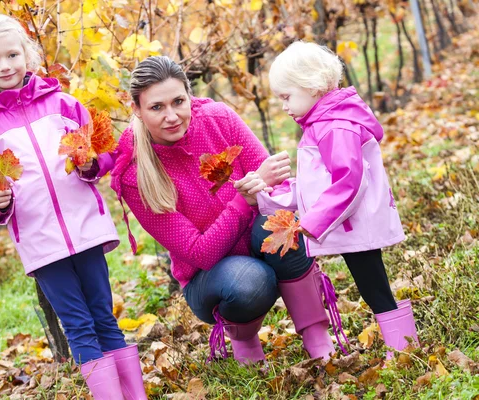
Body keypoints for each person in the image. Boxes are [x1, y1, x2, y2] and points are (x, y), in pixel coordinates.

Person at [110, 56, 344, 365]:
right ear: (137, 110)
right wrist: (244, 200)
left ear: (189, 96)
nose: (172, 116)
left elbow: (277, 186)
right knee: (249, 281)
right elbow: (200, 253)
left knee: (283, 224)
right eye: (156, 107)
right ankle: (245, 342)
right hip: (212, 278)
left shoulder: (217, 119)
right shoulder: (135, 174)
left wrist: (265, 188)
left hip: (259, 243)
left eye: (179, 101)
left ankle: (317, 336)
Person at [0, 15, 147, 399]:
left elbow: (102, 153)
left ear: (28, 54)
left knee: (104, 317)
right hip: (41, 242)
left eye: (12, 54)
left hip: (86, 229)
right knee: (78, 326)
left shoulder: (64, 105)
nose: (5, 66)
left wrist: (90, 164)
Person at [259, 41, 419, 361]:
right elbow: (321, 180)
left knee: (374, 287)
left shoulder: (333, 125)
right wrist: (280, 197)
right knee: (373, 284)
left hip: (352, 223)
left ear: (313, 86)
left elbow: (349, 181)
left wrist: (313, 221)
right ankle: (402, 345)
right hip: (349, 222)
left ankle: (403, 350)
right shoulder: (325, 120)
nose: (284, 106)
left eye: (287, 97)